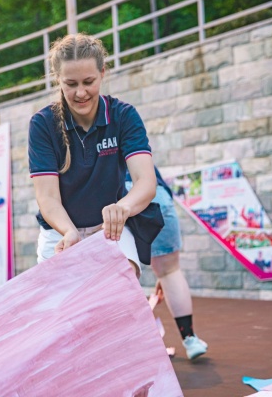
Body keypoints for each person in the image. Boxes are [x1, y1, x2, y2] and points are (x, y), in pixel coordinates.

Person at [28, 33, 157, 278]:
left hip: (110, 229)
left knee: (122, 287)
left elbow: (146, 182)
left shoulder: (124, 116)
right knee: (60, 302)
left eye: (88, 81)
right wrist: (69, 232)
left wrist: (122, 209)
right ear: (58, 79)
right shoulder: (43, 124)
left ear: (102, 73)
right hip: (60, 232)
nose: (80, 93)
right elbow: (47, 197)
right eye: (71, 84)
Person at [127, 168, 208, 360]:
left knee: (121, 276)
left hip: (116, 195)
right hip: (154, 193)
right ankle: (190, 340)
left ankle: (128, 348)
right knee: (170, 271)